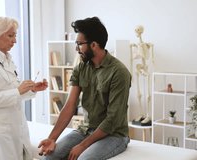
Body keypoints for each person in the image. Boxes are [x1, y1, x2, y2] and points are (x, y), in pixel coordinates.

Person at [38, 17, 131, 160]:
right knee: (49, 157)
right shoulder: (81, 68)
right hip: (85, 130)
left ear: (94, 45)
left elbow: (112, 120)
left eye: (79, 44)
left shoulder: (119, 72)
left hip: (114, 135)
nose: (76, 49)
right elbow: (70, 106)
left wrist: (83, 145)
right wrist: (52, 139)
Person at [0, 16, 48, 160]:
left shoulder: (8, 60)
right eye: (10, 36)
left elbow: (14, 96)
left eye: (15, 35)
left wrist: (31, 90)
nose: (15, 41)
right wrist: (18, 90)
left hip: (16, 127)